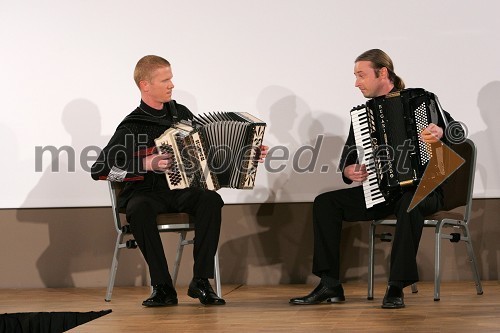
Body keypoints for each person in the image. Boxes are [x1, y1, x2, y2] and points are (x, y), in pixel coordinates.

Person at [91, 55, 268, 307]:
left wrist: (247, 151)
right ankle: (162, 286)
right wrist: (145, 163)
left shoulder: (181, 113)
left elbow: (205, 151)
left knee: (211, 200)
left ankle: (201, 281)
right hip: (147, 193)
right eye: (165, 80)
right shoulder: (131, 126)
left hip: (182, 190)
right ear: (145, 85)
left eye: (171, 78)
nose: (171, 84)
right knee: (138, 209)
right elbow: (100, 169)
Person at [289, 49, 459, 309]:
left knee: (409, 203)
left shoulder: (422, 100)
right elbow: (349, 155)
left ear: (383, 73)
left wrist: (443, 130)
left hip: (426, 189)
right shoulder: (361, 115)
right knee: (326, 203)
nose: (356, 82)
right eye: (355, 76)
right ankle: (329, 283)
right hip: (383, 192)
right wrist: (349, 170)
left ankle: (395, 285)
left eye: (361, 75)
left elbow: (459, 133)